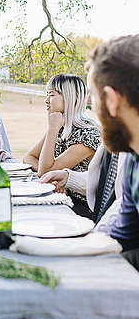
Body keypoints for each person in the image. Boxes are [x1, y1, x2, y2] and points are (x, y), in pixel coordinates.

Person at [86, 35, 139, 270]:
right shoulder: (132, 159)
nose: (90, 104)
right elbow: (122, 234)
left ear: (112, 99)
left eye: (93, 95)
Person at [24, 73, 101, 217]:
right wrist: (52, 178)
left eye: (52, 95)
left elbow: (43, 170)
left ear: (69, 97)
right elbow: (29, 157)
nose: (46, 100)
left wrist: (52, 129)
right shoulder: (61, 126)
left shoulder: (87, 134)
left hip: (85, 207)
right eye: (47, 94)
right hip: (64, 198)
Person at [40, 143, 126, 230]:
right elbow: (105, 180)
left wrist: (99, 232)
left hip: (118, 229)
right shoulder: (118, 137)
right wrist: (67, 177)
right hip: (102, 222)